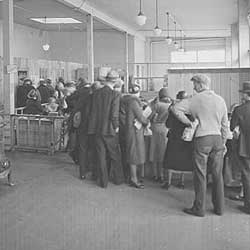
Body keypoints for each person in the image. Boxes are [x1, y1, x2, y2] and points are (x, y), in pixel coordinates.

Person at [172, 74, 229, 217]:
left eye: (195, 84)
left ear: (200, 84)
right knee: (217, 175)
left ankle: (199, 208)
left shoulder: (193, 99)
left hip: (202, 139)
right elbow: (225, 125)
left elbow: (175, 109)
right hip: (217, 139)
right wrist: (223, 142)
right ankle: (219, 208)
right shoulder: (220, 100)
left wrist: (189, 122)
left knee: (200, 174)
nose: (193, 87)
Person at [88, 70, 124, 188]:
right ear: (115, 81)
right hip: (109, 129)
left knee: (101, 155)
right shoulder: (115, 94)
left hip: (97, 128)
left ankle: (103, 181)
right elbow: (114, 114)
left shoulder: (96, 93)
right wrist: (116, 126)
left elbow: (92, 111)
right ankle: (118, 179)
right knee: (115, 155)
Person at [162, 90, 194, 189]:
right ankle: (182, 182)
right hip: (185, 138)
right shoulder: (190, 111)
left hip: (173, 137)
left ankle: (168, 182)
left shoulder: (173, 110)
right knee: (184, 159)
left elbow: (168, 124)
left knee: (170, 159)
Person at [230, 81, 250, 214]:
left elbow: (232, 127)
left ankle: (248, 206)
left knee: (247, 176)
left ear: (246, 95)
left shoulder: (239, 109)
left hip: (246, 147)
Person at [124, 84, 149, 189]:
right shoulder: (134, 102)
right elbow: (141, 117)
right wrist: (147, 121)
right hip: (134, 131)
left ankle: (133, 177)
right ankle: (134, 179)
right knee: (134, 154)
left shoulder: (127, 100)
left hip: (130, 130)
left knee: (133, 153)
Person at [149, 88, 171, 183]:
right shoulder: (170, 105)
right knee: (163, 152)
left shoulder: (156, 105)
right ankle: (162, 175)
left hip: (154, 128)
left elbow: (150, 116)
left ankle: (155, 175)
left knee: (154, 151)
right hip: (165, 129)